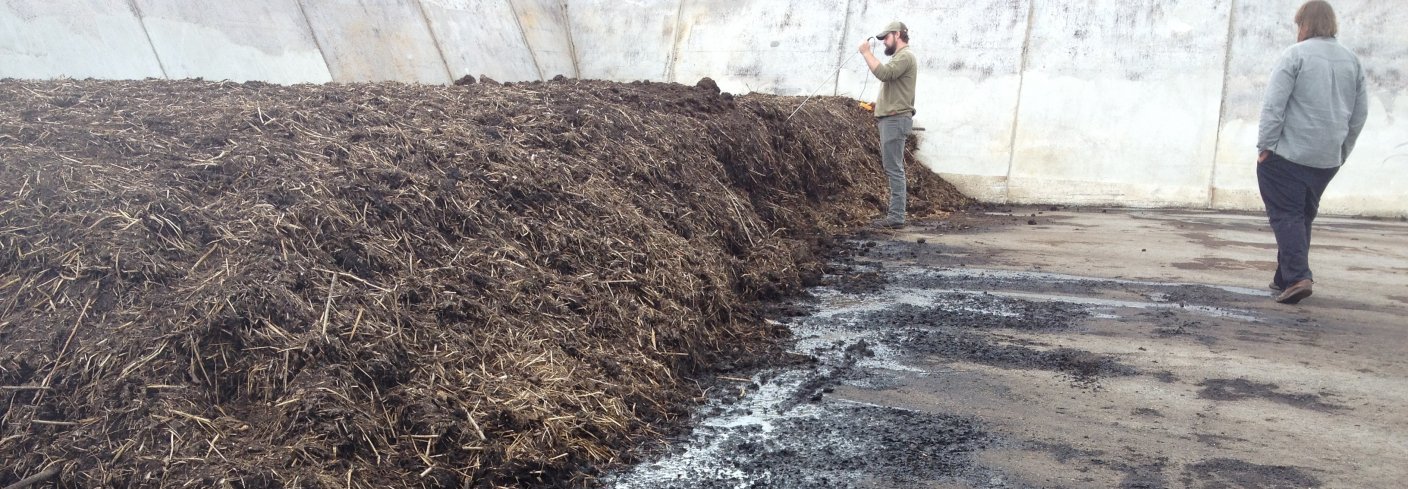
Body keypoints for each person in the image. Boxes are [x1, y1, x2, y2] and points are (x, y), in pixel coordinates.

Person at [1257, 0, 1368, 304]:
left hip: (1289, 153)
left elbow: (1274, 105)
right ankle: (1284, 277)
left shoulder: (1294, 55)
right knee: (1301, 214)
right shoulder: (1352, 60)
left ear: (1304, 25)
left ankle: (1297, 278)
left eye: (1298, 25)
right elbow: (1360, 113)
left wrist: (1265, 145)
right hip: (1326, 158)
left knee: (1286, 213)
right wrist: (1342, 150)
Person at [859, 21, 917, 229]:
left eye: (886, 37)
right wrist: (881, 104)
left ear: (898, 34)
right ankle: (895, 215)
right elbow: (895, 86)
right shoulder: (901, 58)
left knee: (894, 168)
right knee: (893, 167)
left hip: (895, 119)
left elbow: (884, 73)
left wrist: (866, 53)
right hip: (892, 117)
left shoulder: (904, 56)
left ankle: (896, 217)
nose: (883, 42)